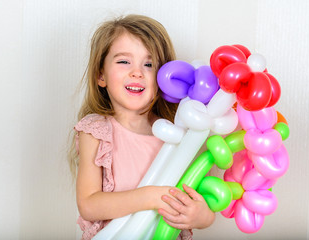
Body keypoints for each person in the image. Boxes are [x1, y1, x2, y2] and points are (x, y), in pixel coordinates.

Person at [68, 14, 215, 240]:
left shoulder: (178, 133)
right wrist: (150, 197)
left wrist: (201, 216)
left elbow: (200, 198)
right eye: (124, 61)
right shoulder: (96, 131)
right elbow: (89, 204)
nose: (137, 72)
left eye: (148, 64)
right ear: (101, 75)